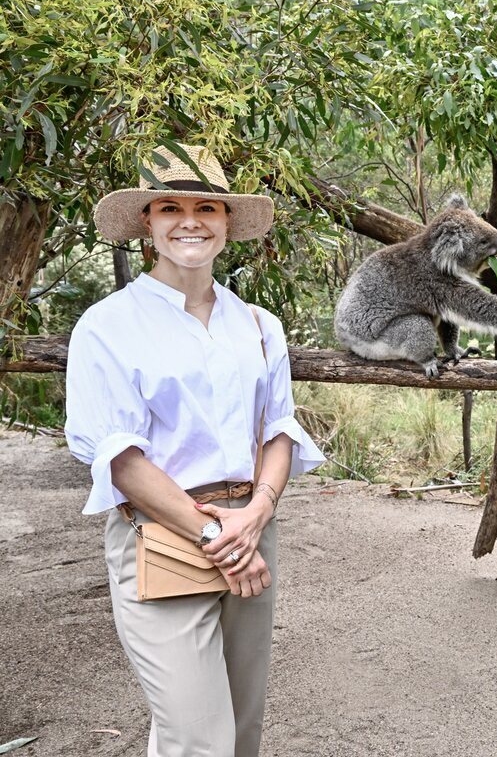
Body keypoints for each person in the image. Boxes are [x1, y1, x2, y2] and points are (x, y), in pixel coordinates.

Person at [65, 143, 325, 757]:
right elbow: (119, 458)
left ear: (226, 222)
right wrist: (216, 540)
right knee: (197, 736)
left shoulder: (258, 325)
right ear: (148, 223)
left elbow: (278, 430)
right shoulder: (108, 326)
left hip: (250, 529)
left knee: (239, 728)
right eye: (170, 206)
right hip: (163, 536)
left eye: (206, 205)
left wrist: (257, 515)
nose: (190, 219)